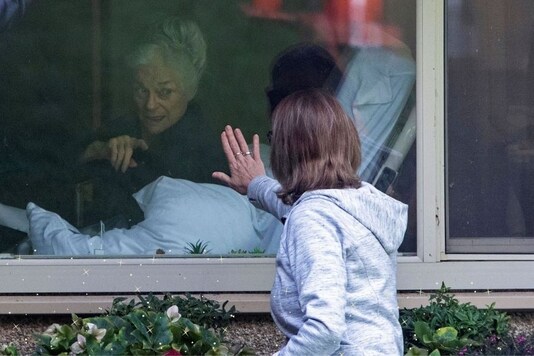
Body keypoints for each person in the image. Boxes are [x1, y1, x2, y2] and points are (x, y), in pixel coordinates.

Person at [212, 89, 408, 355]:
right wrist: (255, 184)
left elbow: (324, 330)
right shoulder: (356, 205)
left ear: (287, 152)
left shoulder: (312, 218)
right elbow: (297, 206)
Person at [79, 16, 225, 224]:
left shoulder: (204, 151)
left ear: (189, 90)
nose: (150, 104)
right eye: (141, 90)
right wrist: (99, 151)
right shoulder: (119, 129)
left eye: (165, 92)